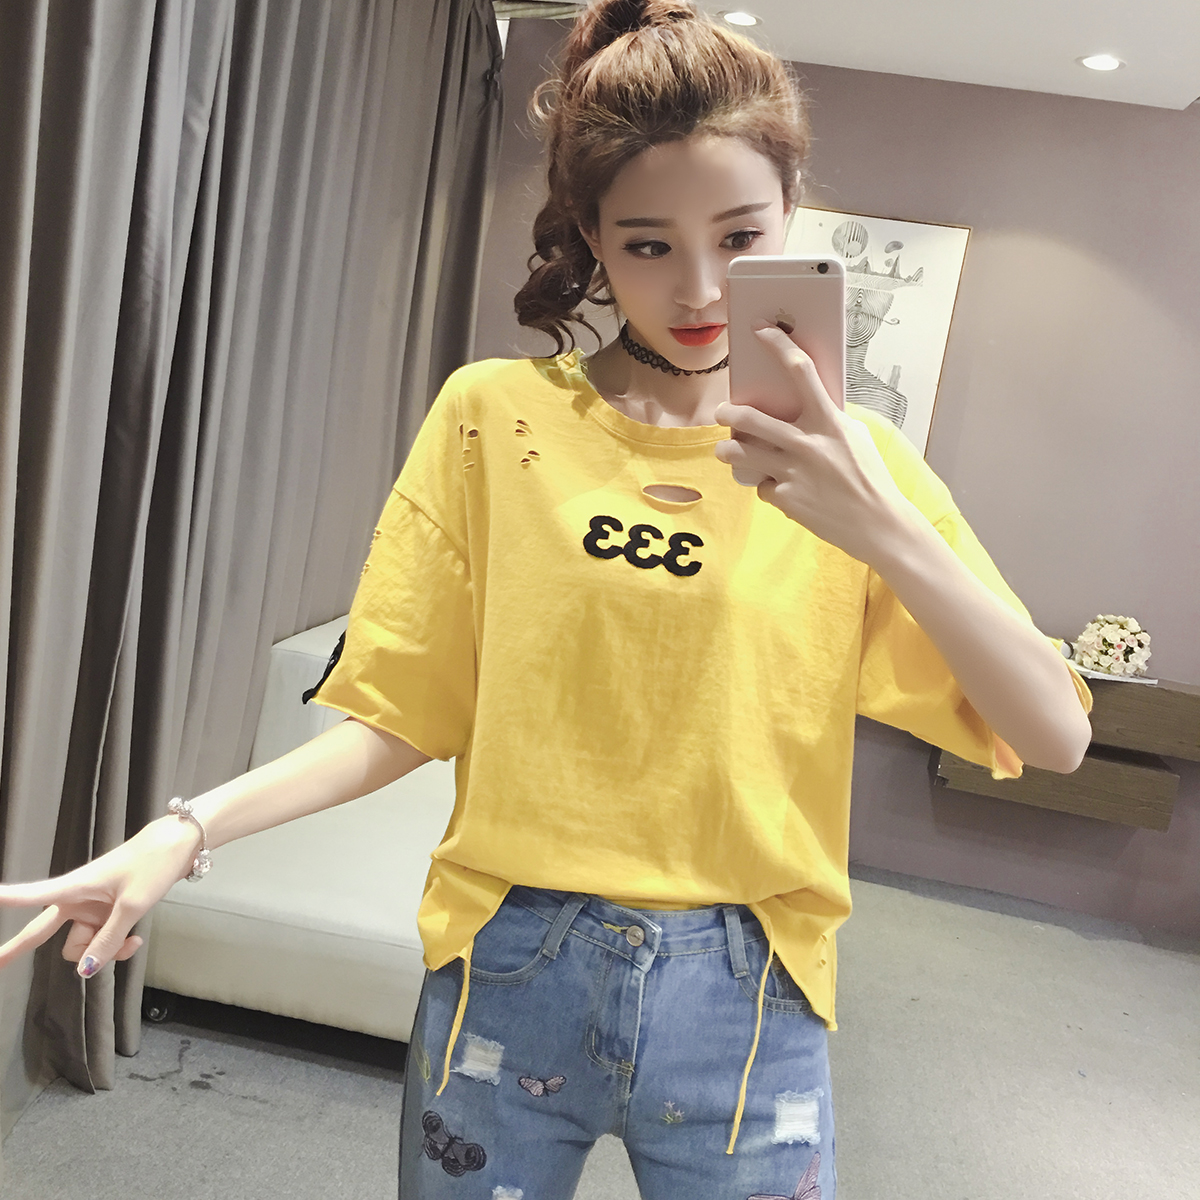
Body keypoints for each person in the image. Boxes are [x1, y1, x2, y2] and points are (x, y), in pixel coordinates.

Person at [0, 2, 1093, 1197]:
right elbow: (401, 718)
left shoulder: (858, 463)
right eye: (648, 245)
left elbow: (1056, 735)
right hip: (510, 963)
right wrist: (184, 831)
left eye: (740, 236)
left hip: (751, 989)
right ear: (590, 239)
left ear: (792, 212)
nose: (700, 288)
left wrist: (878, 525)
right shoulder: (493, 419)